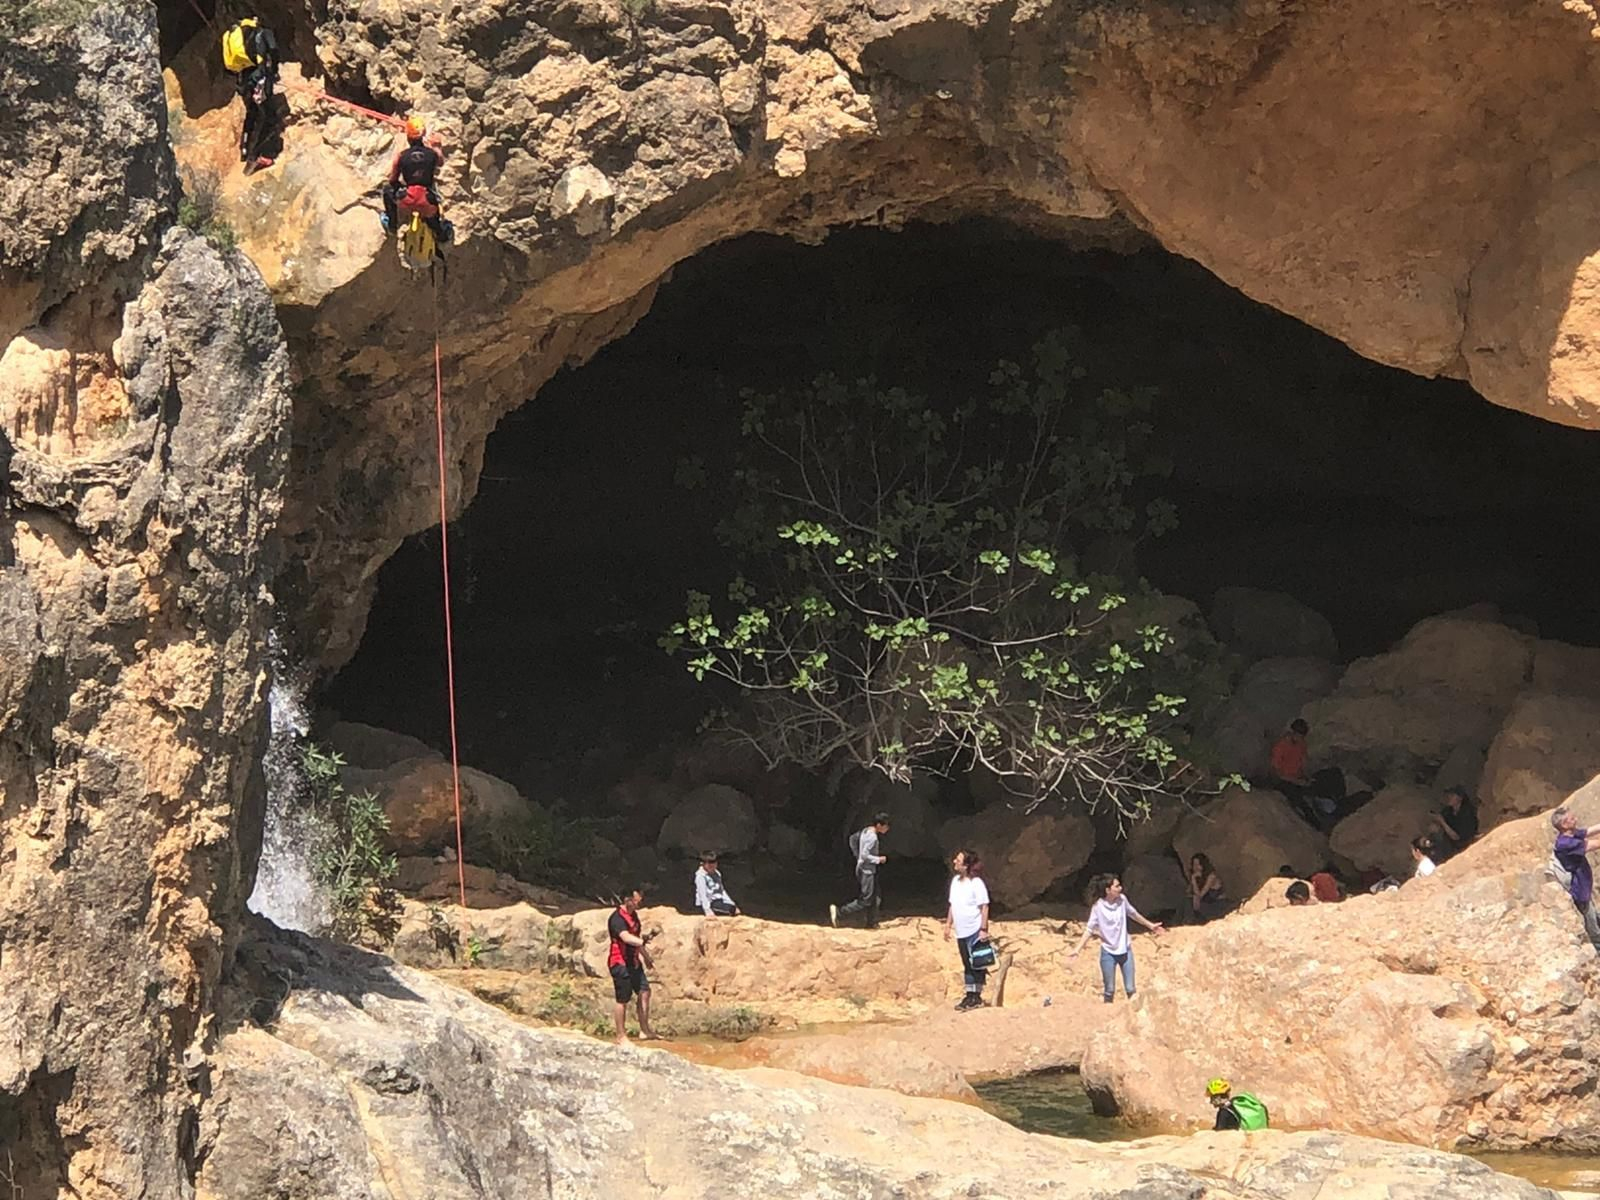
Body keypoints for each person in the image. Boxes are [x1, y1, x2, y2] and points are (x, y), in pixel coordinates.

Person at [1069, 874, 1164, 1003]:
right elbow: (1089, 929)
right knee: (1109, 990)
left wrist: (1150, 925)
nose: (1120, 888)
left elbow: (1133, 913)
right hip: (1108, 953)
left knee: (1131, 989)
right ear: (1108, 890)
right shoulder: (1098, 907)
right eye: (1117, 886)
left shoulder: (1122, 900)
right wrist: (1077, 949)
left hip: (1126, 950)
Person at [382, 116, 454, 244]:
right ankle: (440, 234)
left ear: (408, 137)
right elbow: (441, 162)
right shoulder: (432, 154)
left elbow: (393, 179)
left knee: (387, 189)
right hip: (426, 200)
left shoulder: (402, 156)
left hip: (406, 199)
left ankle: (391, 224)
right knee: (433, 218)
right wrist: (436, 146)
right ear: (423, 136)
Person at [220, 16, 279, 169]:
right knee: (269, 116)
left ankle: (244, 149)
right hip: (260, 78)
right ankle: (259, 155)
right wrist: (273, 72)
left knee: (252, 112)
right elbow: (273, 51)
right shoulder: (264, 33)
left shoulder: (236, 37)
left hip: (243, 79)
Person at [607, 886, 657, 1044]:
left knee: (645, 991)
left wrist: (646, 957)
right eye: (636, 901)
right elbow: (626, 937)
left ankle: (644, 1030)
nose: (639, 903)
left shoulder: (634, 916)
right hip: (619, 962)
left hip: (634, 962)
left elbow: (635, 938)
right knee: (623, 999)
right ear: (627, 900)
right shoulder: (616, 918)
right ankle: (621, 1036)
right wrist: (643, 941)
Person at [944, 848, 992, 1012]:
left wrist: (983, 929)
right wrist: (948, 925)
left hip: (974, 929)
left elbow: (984, 906)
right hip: (961, 930)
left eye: (958, 860)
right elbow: (953, 905)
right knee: (967, 963)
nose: (955, 862)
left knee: (977, 963)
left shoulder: (976, 883)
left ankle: (976, 995)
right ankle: (969, 993)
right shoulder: (955, 881)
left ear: (966, 865)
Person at [830, 811, 889, 929]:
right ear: (879, 825)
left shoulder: (866, 830)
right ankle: (840, 912)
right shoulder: (872, 838)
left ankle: (872, 922)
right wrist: (879, 859)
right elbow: (865, 855)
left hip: (867, 869)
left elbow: (853, 840)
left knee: (876, 896)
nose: (887, 828)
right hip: (867, 871)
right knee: (866, 899)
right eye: (885, 825)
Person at [1551, 806, 1600, 947]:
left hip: (1584, 885)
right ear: (1564, 825)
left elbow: (1589, 831)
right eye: (1572, 819)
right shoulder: (1565, 844)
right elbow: (1594, 844)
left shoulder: (1570, 834)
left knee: (1591, 911)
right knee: (1591, 921)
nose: (1576, 819)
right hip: (1578, 888)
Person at [1428, 786, 1479, 861]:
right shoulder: (1449, 810)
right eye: (1449, 795)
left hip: (1462, 845)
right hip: (1450, 842)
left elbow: (1457, 837)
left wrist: (1442, 822)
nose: (1449, 798)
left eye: (1452, 796)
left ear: (1460, 798)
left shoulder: (1466, 814)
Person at [1205, 1078, 1270, 1130]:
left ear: (1218, 1097)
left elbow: (1219, 1132)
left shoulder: (1224, 1112)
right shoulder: (1233, 1106)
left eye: (1212, 1097)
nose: (1211, 1101)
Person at [693, 851, 739, 917]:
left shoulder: (717, 874)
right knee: (730, 910)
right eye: (709, 863)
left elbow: (722, 891)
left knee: (733, 907)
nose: (712, 865)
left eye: (714, 862)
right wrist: (707, 910)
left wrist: (731, 902)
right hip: (708, 903)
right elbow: (702, 894)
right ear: (703, 864)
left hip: (718, 901)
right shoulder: (701, 876)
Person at [1187, 853, 1228, 923]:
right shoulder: (1198, 877)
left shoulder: (1211, 876)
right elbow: (1190, 892)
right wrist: (1194, 880)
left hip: (1218, 903)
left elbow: (1200, 895)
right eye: (1194, 865)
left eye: (1198, 865)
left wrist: (1193, 880)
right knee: (1187, 902)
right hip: (1207, 902)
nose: (1196, 867)